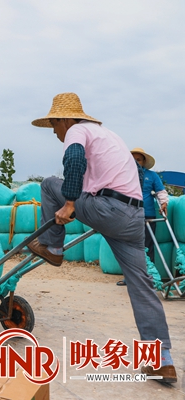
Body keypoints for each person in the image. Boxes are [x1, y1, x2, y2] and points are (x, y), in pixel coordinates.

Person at [27, 93, 176, 383]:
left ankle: (54, 247)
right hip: (133, 219)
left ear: (64, 119)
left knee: (47, 184)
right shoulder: (109, 137)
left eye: (55, 125)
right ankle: (162, 358)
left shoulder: (76, 131)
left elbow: (73, 160)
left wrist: (69, 203)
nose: (56, 132)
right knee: (141, 284)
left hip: (109, 209)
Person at [116, 148, 169, 286]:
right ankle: (129, 278)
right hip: (129, 216)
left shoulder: (151, 176)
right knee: (129, 247)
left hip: (148, 216)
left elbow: (160, 191)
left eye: (138, 159)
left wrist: (164, 203)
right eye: (133, 159)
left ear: (143, 162)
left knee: (147, 247)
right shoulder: (123, 176)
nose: (135, 162)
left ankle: (148, 277)